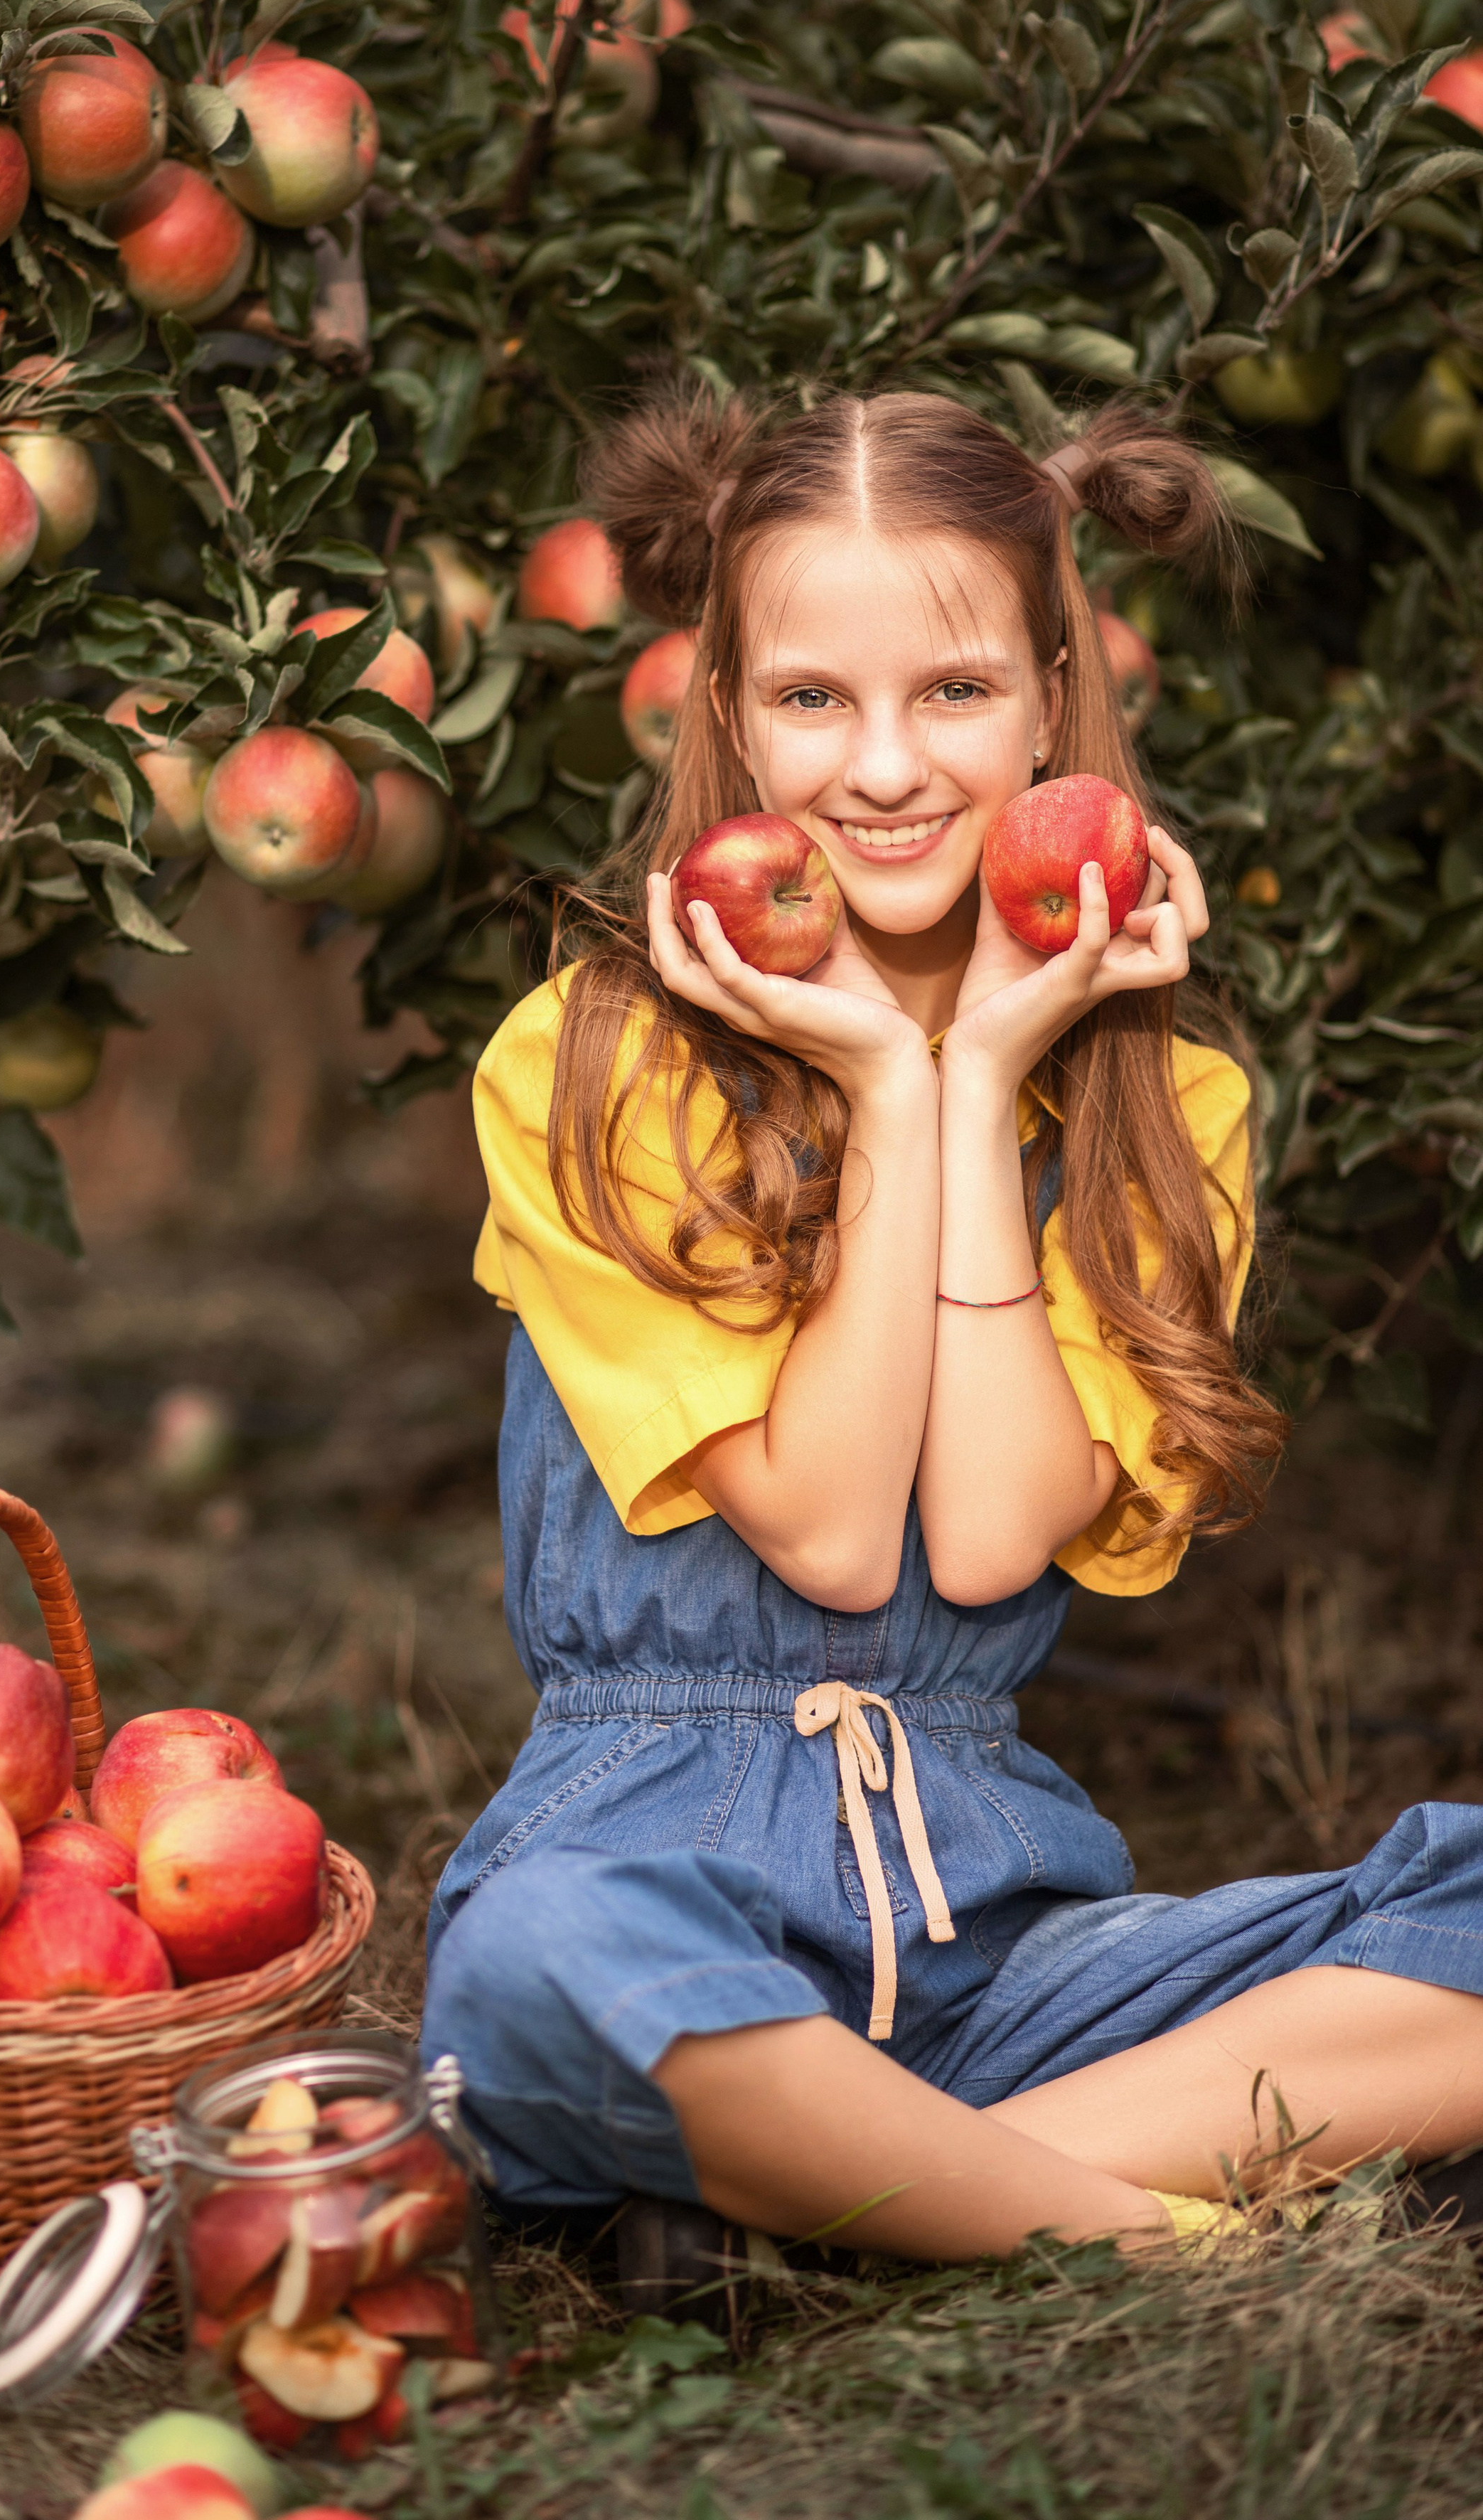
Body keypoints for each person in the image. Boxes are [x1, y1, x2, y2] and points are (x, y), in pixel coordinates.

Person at [420, 385, 1483, 2270]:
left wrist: (983, 1069)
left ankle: (838, 2189)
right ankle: (1139, 2234)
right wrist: (888, 1089)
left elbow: (991, 1533)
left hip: (984, 1941)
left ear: (1057, 693)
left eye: (959, 695)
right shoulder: (593, 1069)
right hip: (659, 1882)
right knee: (545, 1952)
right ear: (727, 710)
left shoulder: (1173, 1117)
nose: (885, 767)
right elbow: (831, 1531)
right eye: (814, 698)